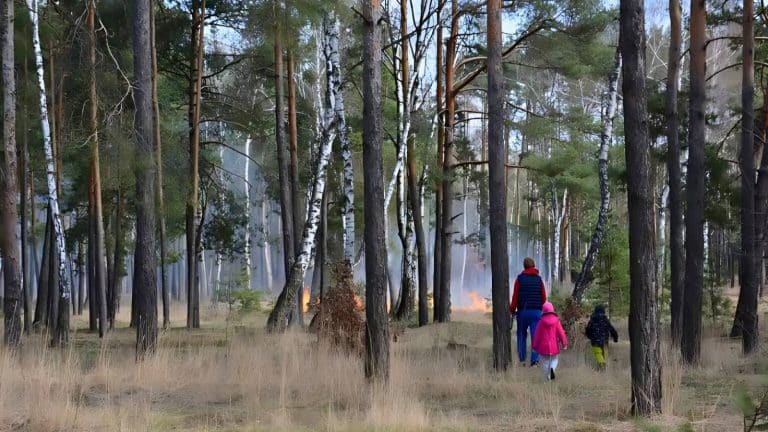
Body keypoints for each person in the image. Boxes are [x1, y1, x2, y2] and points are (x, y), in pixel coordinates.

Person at [509, 257, 547, 366]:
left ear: (524, 266)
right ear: (533, 266)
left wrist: (511, 309)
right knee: (536, 336)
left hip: (523, 312)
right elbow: (544, 298)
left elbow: (515, 297)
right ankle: (534, 361)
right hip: (536, 312)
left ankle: (522, 360)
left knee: (521, 335)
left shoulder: (519, 279)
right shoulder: (539, 280)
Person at [531, 302, 568, 380]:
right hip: (554, 346)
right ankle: (552, 369)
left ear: (543, 311)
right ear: (552, 310)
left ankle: (547, 377)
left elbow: (537, 335)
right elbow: (561, 333)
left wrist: (534, 347)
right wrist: (564, 343)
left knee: (544, 362)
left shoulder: (541, 322)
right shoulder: (556, 321)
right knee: (555, 359)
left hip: (543, 347)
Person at [584, 304, 619, 370]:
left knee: (598, 353)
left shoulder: (592, 320)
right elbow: (612, 329)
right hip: (604, 340)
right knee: (604, 353)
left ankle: (601, 366)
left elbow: (588, 329)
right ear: (603, 311)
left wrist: (589, 336)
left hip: (595, 340)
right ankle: (603, 366)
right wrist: (615, 338)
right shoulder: (605, 320)